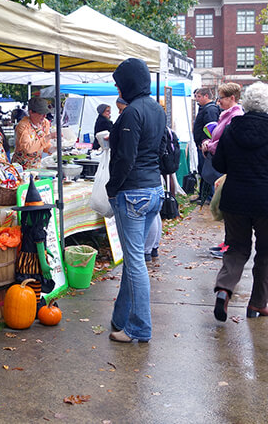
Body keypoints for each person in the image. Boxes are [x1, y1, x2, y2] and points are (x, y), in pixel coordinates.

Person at [210, 82, 268, 322]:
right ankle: (258, 303)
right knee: (267, 251)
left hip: (235, 197)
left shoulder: (232, 129)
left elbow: (219, 164)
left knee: (236, 247)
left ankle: (224, 289)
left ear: (244, 102)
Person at [105, 58, 165, 344]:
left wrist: (112, 188)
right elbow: (160, 149)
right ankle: (121, 318)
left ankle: (139, 328)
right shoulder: (156, 109)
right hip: (154, 190)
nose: (117, 88)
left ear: (128, 82)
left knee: (136, 263)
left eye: (119, 83)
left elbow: (125, 158)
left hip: (133, 193)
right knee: (134, 260)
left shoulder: (131, 113)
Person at [202, 83, 244, 259]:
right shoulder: (226, 114)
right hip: (221, 162)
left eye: (222, 98)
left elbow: (227, 140)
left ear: (232, 98)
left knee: (227, 204)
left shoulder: (235, 116)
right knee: (223, 203)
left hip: (228, 165)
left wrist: (209, 145)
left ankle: (232, 243)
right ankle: (228, 240)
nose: (219, 101)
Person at [191, 88, 220, 203]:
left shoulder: (211, 110)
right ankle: (202, 195)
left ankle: (208, 196)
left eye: (198, 96)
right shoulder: (205, 108)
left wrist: (205, 142)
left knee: (207, 171)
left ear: (206, 96)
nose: (196, 99)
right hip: (201, 145)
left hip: (205, 147)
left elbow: (211, 129)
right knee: (202, 170)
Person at [12, 97, 54, 169]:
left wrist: (54, 148)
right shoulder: (23, 126)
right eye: (41, 113)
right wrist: (48, 137)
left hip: (37, 166)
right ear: (31, 112)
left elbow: (45, 146)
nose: (44, 116)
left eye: (45, 113)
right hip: (21, 168)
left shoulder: (45, 123)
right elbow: (28, 149)